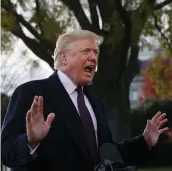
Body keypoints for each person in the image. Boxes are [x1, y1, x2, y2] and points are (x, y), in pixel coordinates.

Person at [1, 30, 169, 171]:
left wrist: (144, 142)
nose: (94, 58)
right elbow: (6, 153)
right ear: (64, 58)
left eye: (95, 53)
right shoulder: (31, 94)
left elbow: (107, 153)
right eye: (86, 51)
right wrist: (30, 142)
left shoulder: (95, 102)